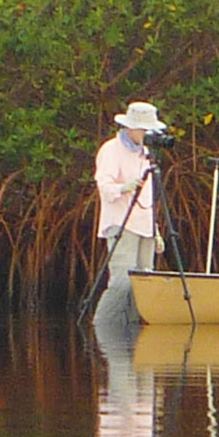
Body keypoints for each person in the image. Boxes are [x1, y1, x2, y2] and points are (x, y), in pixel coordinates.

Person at [92, 101, 168, 325]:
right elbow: (104, 187)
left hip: (145, 225)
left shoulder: (146, 154)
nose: (147, 134)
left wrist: (156, 231)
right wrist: (123, 188)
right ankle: (102, 326)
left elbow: (148, 198)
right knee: (122, 282)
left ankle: (133, 329)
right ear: (131, 127)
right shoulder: (110, 150)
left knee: (145, 283)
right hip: (121, 223)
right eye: (144, 130)